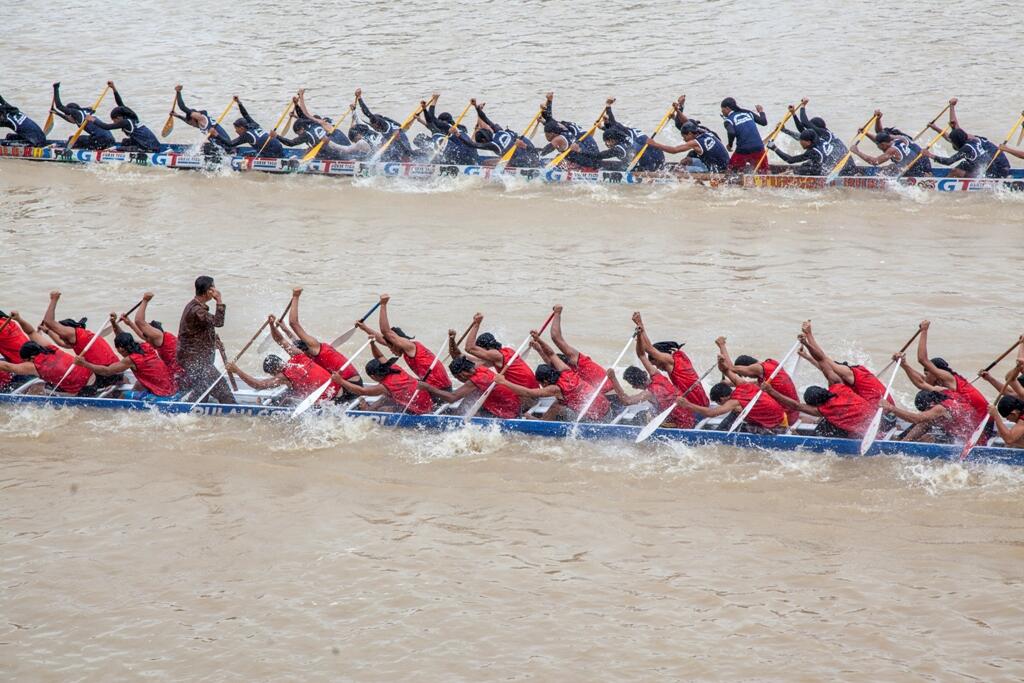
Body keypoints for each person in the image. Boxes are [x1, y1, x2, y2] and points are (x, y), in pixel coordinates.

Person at [226, 315, 340, 405]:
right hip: (338, 387)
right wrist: (272, 325)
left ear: (274, 371)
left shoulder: (283, 377)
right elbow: (280, 339)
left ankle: (267, 406)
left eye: (272, 374)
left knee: (284, 398)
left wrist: (237, 370)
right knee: (291, 390)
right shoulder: (298, 355)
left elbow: (259, 385)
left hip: (327, 399)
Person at [492, 336, 611, 422]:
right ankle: (546, 418)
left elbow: (527, 392)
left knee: (558, 405)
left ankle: (542, 421)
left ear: (545, 382)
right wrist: (539, 341)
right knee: (560, 401)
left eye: (541, 384)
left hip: (597, 417)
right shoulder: (566, 371)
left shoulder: (554, 389)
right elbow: (552, 354)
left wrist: (504, 382)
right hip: (607, 407)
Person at [356, 294, 451, 391]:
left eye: (390, 347)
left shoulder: (410, 347)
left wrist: (383, 305)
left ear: (396, 342)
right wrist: (364, 328)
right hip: (432, 385)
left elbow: (386, 332)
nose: (391, 351)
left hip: (440, 390)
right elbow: (382, 338)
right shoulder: (405, 348)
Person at [677, 358, 786, 433]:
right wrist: (720, 362)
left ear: (722, 398)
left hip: (777, 427)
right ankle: (720, 430)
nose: (721, 405)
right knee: (736, 413)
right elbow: (725, 369)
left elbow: (711, 413)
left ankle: (718, 434)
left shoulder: (734, 402)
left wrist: (687, 405)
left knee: (737, 427)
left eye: (719, 403)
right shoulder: (742, 384)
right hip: (783, 417)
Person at [41, 290, 123, 389]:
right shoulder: (83, 337)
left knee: (70, 384)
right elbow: (62, 343)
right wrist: (47, 331)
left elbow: (49, 321)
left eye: (61, 334)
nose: (61, 337)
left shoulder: (74, 335)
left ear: (68, 331)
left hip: (106, 374)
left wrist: (54, 299)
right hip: (117, 371)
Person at [0, 312, 94, 395]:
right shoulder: (49, 348)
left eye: (25, 360)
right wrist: (19, 319)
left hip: (79, 388)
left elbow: (7, 367)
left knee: (35, 389)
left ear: (31, 358)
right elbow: (31, 332)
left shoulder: (34, 366)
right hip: (91, 375)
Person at [798, 321, 890, 406]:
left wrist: (809, 335)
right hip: (882, 404)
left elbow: (822, 358)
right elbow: (824, 367)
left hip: (883, 409)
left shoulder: (850, 374)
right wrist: (807, 357)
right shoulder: (850, 375)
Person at [286, 288, 362, 390]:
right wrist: (281, 327)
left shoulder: (315, 347)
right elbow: (294, 340)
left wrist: (296, 296)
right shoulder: (309, 349)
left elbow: (294, 323)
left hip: (350, 387)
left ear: (304, 351)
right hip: (349, 383)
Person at [73, 323, 176, 398]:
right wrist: (114, 323)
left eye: (119, 350)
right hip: (171, 384)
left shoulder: (130, 360)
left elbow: (107, 371)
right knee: (138, 384)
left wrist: (84, 364)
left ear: (121, 349)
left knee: (122, 395)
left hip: (162, 392)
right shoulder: (145, 346)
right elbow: (124, 336)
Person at [714, 336, 799, 425]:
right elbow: (756, 384)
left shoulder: (757, 368)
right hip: (794, 411)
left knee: (739, 407)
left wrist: (721, 345)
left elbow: (730, 368)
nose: (747, 377)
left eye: (745, 374)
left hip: (786, 416)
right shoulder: (771, 363)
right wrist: (730, 383)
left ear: (749, 368)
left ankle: (723, 430)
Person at [177, 275, 235, 403]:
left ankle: (188, 412)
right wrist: (219, 300)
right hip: (197, 361)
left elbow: (197, 332)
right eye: (213, 287)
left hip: (194, 359)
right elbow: (218, 322)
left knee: (203, 391)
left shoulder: (196, 306)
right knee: (224, 392)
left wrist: (213, 341)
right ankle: (236, 415)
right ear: (208, 291)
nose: (215, 290)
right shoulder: (197, 310)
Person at [631, 312, 709, 407]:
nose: (658, 368)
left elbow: (648, 349)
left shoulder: (670, 361)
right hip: (704, 403)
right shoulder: (680, 355)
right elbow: (649, 349)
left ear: (661, 357)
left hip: (695, 408)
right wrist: (640, 332)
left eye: (656, 364)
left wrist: (640, 325)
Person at [923, 98, 1010, 178]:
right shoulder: (972, 140)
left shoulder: (966, 147)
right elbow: (955, 132)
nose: (951, 143)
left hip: (998, 168)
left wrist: (929, 155)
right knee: (964, 164)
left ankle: (941, 184)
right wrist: (935, 127)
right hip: (990, 165)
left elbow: (949, 161)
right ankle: (950, 179)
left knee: (956, 171)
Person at [762, 376, 874, 438]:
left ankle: (808, 437)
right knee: (827, 421)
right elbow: (825, 365)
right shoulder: (838, 387)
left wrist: (771, 391)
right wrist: (808, 349)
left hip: (866, 428)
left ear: (816, 404)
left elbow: (796, 406)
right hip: (873, 415)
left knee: (824, 430)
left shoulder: (826, 409)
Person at [418, 356, 523, 418]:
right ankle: (458, 414)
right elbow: (459, 355)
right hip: (513, 404)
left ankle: (458, 416)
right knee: (471, 397)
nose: (460, 380)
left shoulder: (477, 379)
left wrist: (428, 387)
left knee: (465, 415)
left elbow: (452, 398)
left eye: (457, 378)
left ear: (462, 374)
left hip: (507, 411)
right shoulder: (478, 368)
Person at [606, 359, 696, 429]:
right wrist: (640, 336)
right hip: (689, 416)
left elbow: (627, 401)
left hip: (683, 424)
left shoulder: (649, 393)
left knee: (640, 417)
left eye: (632, 385)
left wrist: (613, 378)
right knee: (648, 413)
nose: (633, 388)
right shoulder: (657, 375)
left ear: (635, 385)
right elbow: (642, 356)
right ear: (644, 373)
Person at [462, 313, 540, 391]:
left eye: (480, 350)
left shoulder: (495, 355)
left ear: (485, 348)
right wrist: (452, 342)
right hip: (535, 388)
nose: (479, 354)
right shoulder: (507, 351)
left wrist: (477, 324)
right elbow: (473, 361)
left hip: (528, 393)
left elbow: (469, 348)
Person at [451, 100, 540, 168]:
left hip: (522, 161)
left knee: (486, 163)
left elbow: (472, 144)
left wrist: (458, 135)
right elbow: (485, 119)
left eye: (482, 143)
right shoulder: (498, 130)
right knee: (504, 159)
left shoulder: (493, 145)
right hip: (531, 152)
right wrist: (476, 107)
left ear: (483, 140)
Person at [332, 357, 433, 414]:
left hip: (420, 409)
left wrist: (340, 381)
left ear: (373, 376)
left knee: (385, 408)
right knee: (387, 397)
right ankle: (369, 409)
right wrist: (372, 343)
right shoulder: (394, 368)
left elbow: (362, 391)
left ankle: (369, 410)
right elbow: (380, 356)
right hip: (427, 401)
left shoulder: (384, 386)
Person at [548, 305, 611, 394]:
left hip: (611, 393)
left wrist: (557, 313)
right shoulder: (570, 372)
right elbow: (550, 357)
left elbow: (556, 337)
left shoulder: (578, 361)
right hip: (604, 395)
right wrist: (538, 347)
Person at [83, 81, 161, 152]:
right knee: (125, 142)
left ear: (119, 117)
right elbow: (120, 103)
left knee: (117, 149)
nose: (114, 122)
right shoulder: (131, 117)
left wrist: (93, 119)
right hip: (153, 144)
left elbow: (107, 127)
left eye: (114, 120)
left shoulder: (125, 122)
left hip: (148, 148)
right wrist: (114, 88)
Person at [124, 292, 183, 383]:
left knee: (141, 382)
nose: (146, 340)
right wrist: (130, 324)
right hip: (175, 371)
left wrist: (145, 300)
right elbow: (143, 335)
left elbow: (139, 321)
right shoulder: (158, 338)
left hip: (179, 375)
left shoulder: (159, 335)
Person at [786, 98, 855, 175]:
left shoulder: (825, 134)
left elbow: (805, 122)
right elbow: (802, 132)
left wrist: (803, 106)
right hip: (840, 164)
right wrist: (793, 114)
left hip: (845, 166)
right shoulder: (821, 137)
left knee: (810, 166)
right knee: (808, 164)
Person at [851, 111, 932, 177]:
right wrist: (865, 132)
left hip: (917, 166)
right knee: (890, 168)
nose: (877, 146)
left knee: (890, 169)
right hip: (919, 162)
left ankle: (925, 175)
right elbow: (879, 138)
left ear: (883, 144)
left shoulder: (892, 149)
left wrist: (857, 152)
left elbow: (875, 162)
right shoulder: (898, 139)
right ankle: (926, 174)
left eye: (878, 145)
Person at [882, 389, 975, 444]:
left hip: (964, 440)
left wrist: (891, 408)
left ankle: (905, 442)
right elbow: (920, 382)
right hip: (953, 433)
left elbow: (916, 419)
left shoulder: (939, 409)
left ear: (930, 404)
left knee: (927, 437)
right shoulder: (940, 398)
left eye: (925, 410)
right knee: (926, 422)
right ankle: (903, 442)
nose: (926, 412)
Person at [645, 119, 730, 173]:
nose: (684, 139)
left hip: (717, 171)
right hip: (723, 163)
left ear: (689, 133)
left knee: (678, 170)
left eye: (684, 137)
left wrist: (655, 144)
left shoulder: (695, 142)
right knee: (686, 161)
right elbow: (687, 121)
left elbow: (674, 150)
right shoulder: (704, 131)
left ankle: (697, 184)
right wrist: (677, 112)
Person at [602, 101, 664, 171]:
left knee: (631, 162)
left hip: (654, 159)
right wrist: (608, 108)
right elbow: (613, 127)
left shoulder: (626, 135)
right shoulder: (629, 132)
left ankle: (647, 171)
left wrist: (608, 106)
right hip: (660, 157)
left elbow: (613, 123)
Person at [50, 82, 115, 149]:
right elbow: (71, 120)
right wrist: (57, 113)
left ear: (72, 114)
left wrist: (56, 88)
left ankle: (59, 148)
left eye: (67, 116)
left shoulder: (77, 114)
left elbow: (59, 106)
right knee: (72, 138)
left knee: (74, 140)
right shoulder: (83, 112)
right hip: (110, 140)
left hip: (103, 140)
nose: (67, 118)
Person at [354, 89, 413, 161]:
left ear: (376, 123)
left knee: (405, 155)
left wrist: (359, 98)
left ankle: (408, 162)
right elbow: (361, 121)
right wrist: (354, 111)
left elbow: (367, 113)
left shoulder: (383, 125)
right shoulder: (382, 125)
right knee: (388, 154)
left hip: (402, 142)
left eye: (373, 125)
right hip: (395, 143)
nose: (373, 128)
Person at [419, 98, 479, 165]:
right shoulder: (461, 127)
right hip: (473, 156)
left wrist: (432, 101)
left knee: (432, 138)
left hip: (462, 156)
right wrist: (420, 120)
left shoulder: (445, 125)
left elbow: (431, 118)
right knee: (439, 136)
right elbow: (433, 127)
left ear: (442, 121)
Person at [221, 96, 285, 158]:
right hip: (279, 147)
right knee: (254, 151)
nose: (235, 131)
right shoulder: (253, 124)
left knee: (245, 155)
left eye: (236, 129)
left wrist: (216, 135)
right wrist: (239, 103)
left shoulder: (247, 135)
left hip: (272, 153)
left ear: (242, 128)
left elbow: (230, 144)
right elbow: (245, 115)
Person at [719, 97, 768, 172]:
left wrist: (730, 145)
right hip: (759, 147)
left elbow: (731, 132)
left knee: (731, 170)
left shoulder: (728, 120)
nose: (722, 112)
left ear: (727, 108)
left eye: (722, 110)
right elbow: (764, 122)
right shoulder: (747, 113)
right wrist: (761, 112)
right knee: (764, 171)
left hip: (743, 150)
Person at [270, 110, 344, 160]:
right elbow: (303, 118)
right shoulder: (315, 122)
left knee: (308, 152)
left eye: (298, 133)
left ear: (302, 129)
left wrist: (276, 136)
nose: (299, 136)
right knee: (309, 148)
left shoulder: (306, 135)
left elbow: (291, 143)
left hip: (330, 155)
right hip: (337, 147)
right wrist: (294, 115)